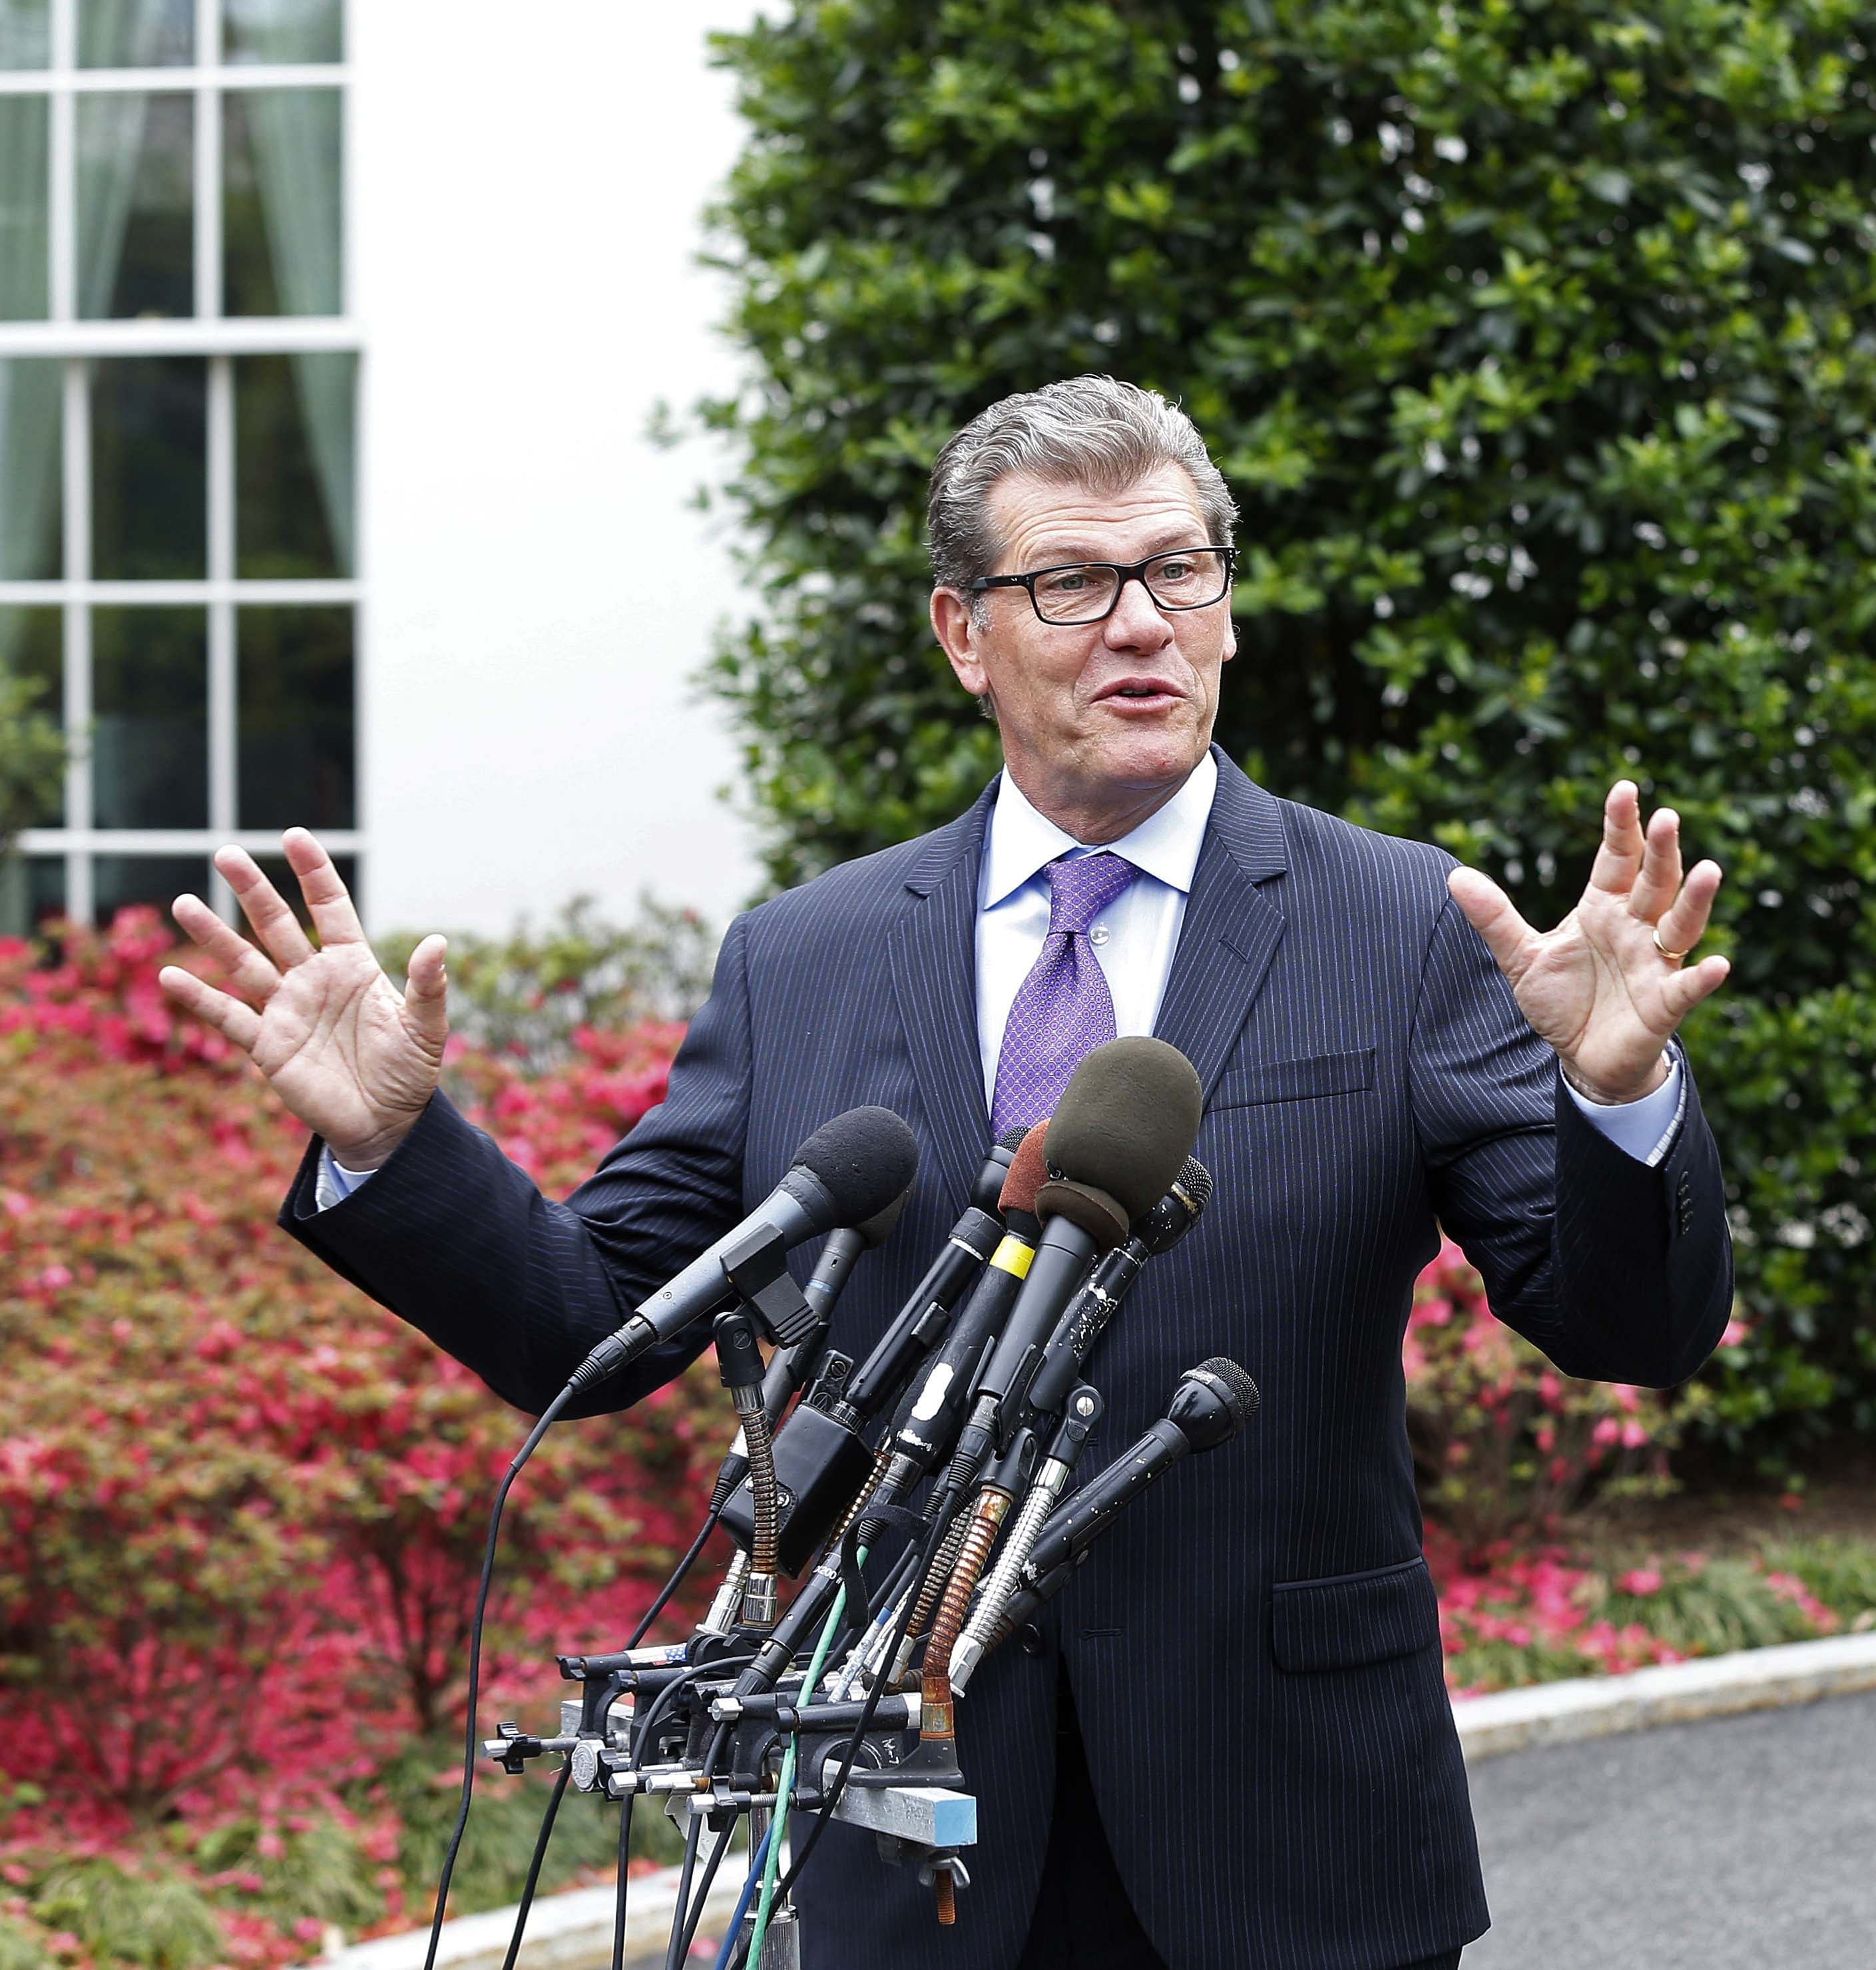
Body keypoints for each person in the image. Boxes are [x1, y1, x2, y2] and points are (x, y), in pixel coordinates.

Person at [156, 376, 1739, 1970]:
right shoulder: (808, 960)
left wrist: (1618, 1096)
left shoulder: (1393, 925)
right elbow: (588, 1321)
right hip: (903, 1835)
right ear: (964, 633)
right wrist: (389, 1143)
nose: (1141, 625)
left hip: (1292, 1831)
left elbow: (1630, 1331)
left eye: (1181, 573)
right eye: (1072, 583)